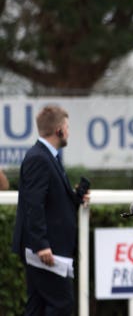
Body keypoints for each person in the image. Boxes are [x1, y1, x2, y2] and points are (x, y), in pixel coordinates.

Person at [12, 105, 90, 315]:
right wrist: (41, 245)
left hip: (46, 249)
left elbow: (50, 201)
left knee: (36, 307)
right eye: (67, 127)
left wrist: (76, 198)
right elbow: (33, 204)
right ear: (59, 130)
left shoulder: (47, 156)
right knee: (61, 304)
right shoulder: (40, 157)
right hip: (47, 251)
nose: (68, 132)